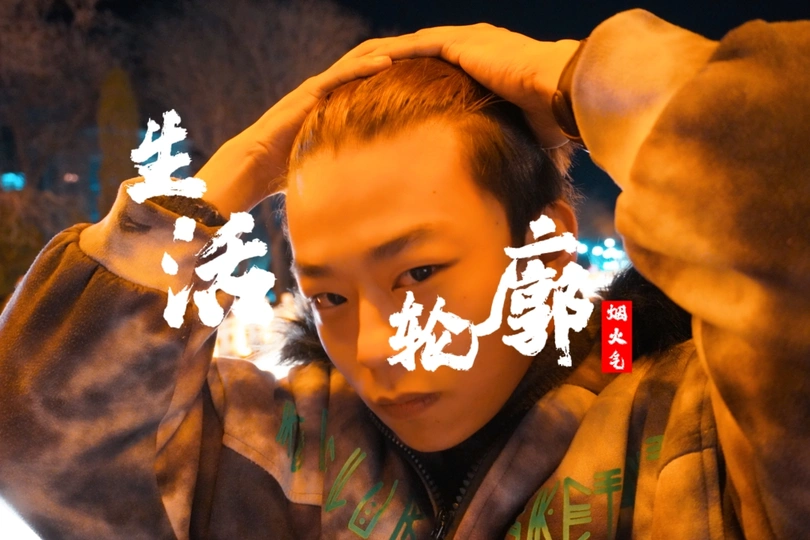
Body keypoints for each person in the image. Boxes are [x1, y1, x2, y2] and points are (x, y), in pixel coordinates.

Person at [0, 8, 808, 540]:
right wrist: (227, 179)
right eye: (328, 296)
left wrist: (585, 83)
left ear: (549, 245)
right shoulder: (284, 458)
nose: (377, 346)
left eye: (420, 272)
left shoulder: (699, 437)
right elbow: (40, 437)